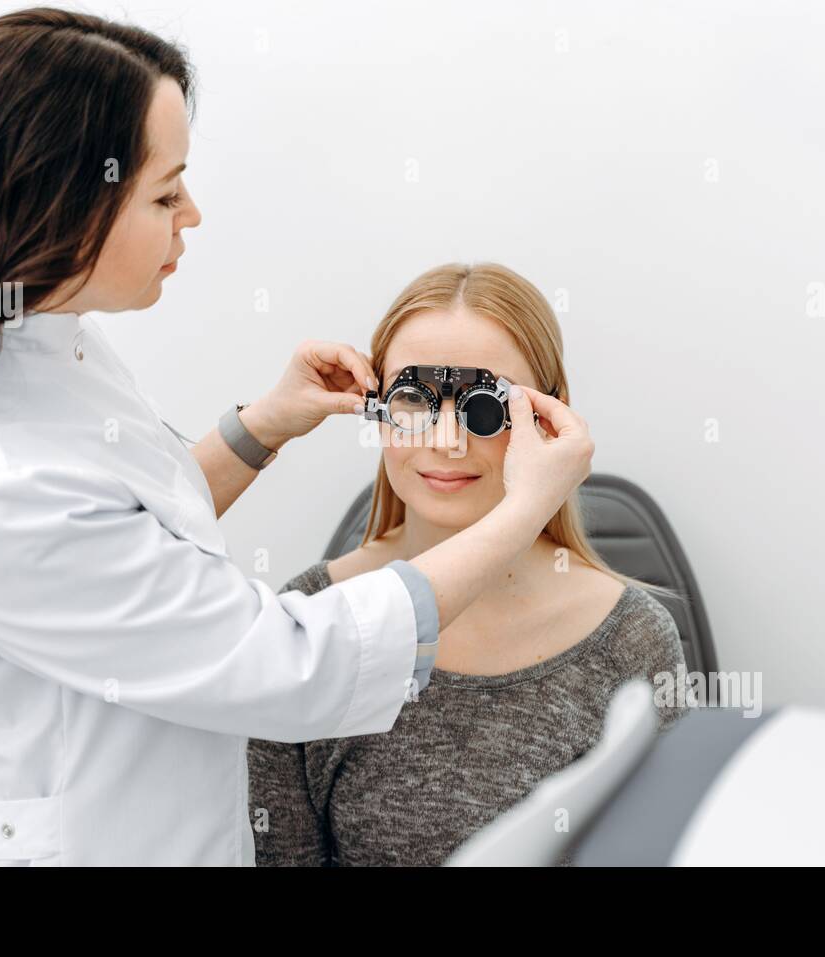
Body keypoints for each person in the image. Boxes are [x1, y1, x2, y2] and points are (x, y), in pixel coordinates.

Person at [0, 9, 592, 865]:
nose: (192, 214)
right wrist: (525, 506)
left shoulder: (29, 344)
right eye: (165, 193)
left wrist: (261, 428)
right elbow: (298, 667)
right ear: (62, 205)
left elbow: (123, 540)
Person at [248, 262, 687, 866]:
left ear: (550, 417)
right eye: (413, 400)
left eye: (486, 406)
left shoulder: (632, 636)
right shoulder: (309, 624)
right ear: (376, 409)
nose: (448, 439)